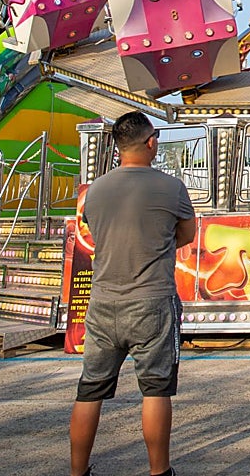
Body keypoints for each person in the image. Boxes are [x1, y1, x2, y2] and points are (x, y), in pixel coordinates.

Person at [69, 111, 197, 476]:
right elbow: (186, 235)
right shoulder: (171, 187)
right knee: (156, 389)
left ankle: (78, 472)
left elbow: (97, 234)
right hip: (152, 301)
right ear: (151, 143)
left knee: (89, 389)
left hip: (103, 302)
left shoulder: (96, 191)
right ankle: (159, 471)